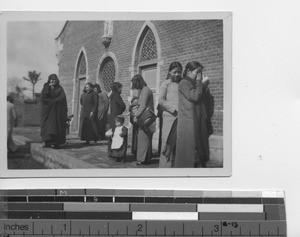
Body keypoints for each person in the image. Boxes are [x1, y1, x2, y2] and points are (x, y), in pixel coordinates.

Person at [175, 61, 212, 168]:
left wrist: (203, 85)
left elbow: (197, 97)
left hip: (195, 120)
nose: (199, 75)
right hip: (189, 122)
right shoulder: (184, 83)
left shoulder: (191, 83)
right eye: (197, 72)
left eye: (200, 73)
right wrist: (200, 82)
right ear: (188, 71)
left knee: (197, 149)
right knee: (192, 150)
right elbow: (195, 97)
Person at [158, 61, 182, 168]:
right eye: (174, 72)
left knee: (178, 144)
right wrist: (175, 109)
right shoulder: (165, 84)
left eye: (179, 72)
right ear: (169, 72)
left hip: (181, 118)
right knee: (167, 144)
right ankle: (164, 168)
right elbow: (161, 101)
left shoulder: (182, 84)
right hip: (169, 118)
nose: (177, 74)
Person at [131, 75, 155, 165]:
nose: (135, 87)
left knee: (143, 138)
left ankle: (142, 159)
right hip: (145, 116)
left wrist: (136, 115)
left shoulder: (145, 90)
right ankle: (146, 158)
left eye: (135, 84)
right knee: (146, 138)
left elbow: (143, 106)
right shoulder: (143, 90)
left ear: (138, 82)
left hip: (145, 117)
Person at [41, 74, 68, 149]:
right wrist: (50, 102)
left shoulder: (60, 88)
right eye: (51, 80)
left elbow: (63, 98)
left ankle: (56, 143)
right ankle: (47, 142)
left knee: (57, 126)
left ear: (57, 80)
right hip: (48, 111)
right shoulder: (46, 88)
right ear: (49, 80)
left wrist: (56, 101)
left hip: (57, 111)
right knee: (47, 126)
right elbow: (43, 99)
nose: (53, 81)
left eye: (54, 80)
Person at [129, 89, 140, 159]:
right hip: (135, 121)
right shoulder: (135, 100)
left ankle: (135, 151)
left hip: (136, 121)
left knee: (136, 137)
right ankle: (135, 151)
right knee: (136, 137)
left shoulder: (138, 100)